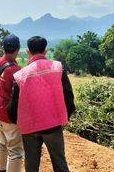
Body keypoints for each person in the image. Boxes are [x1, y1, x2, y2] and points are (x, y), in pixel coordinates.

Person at [12, 36, 75, 172]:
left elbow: (14, 105)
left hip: (29, 127)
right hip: (54, 125)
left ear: (28, 51)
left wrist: (18, 122)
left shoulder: (20, 75)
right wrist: (63, 117)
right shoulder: (58, 68)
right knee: (59, 162)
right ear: (45, 51)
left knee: (31, 164)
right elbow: (69, 96)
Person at [0, 34, 24, 172]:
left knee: (2, 143)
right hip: (10, 112)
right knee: (15, 150)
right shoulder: (17, 70)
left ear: (3, 48)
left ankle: (2, 169)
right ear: (18, 49)